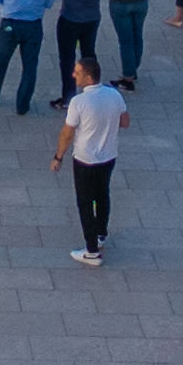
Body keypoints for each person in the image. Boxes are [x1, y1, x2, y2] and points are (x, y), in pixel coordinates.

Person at [51, 57, 129, 267]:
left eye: (77, 72)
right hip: (109, 156)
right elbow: (125, 122)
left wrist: (58, 157)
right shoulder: (114, 95)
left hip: (85, 159)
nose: (73, 75)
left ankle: (91, 251)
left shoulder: (79, 102)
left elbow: (67, 133)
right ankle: (101, 233)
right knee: (102, 195)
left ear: (88, 76)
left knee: (85, 202)